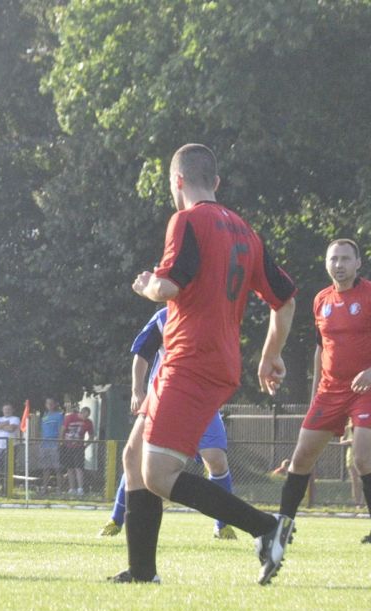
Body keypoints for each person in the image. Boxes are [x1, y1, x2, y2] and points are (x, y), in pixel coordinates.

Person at [119, 144, 298, 586]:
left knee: (158, 474)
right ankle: (142, 572)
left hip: (192, 360)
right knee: (134, 457)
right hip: (204, 358)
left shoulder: (187, 221)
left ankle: (266, 527)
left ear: (177, 181)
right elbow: (284, 298)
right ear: (215, 181)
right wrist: (271, 353)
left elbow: (167, 287)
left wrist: (146, 285)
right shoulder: (245, 231)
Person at [278, 239, 371, 544]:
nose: (339, 264)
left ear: (358, 263)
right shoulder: (321, 299)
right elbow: (321, 348)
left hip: (367, 388)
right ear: (326, 263)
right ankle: (281, 528)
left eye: (346, 259)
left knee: (362, 458)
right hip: (329, 390)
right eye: (333, 259)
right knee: (301, 459)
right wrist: (315, 394)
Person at [100, 307, 238, 540]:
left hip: (201, 401)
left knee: (216, 459)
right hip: (162, 399)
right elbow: (142, 354)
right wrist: (137, 390)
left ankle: (222, 525)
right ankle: (116, 519)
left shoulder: (216, 315)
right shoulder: (164, 317)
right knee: (135, 457)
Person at [61, 403, 93, 497]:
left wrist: (85, 445)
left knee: (79, 468)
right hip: (68, 446)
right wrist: (62, 443)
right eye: (84, 416)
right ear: (81, 413)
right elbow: (62, 430)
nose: (85, 418)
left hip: (79, 447)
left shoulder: (88, 422)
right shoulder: (70, 417)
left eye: (87, 416)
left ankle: (80, 489)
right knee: (70, 468)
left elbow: (91, 435)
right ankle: (72, 488)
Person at [0, 404, 20, 491]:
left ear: (13, 410)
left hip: (9, 447)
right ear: (2, 410)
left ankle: (7, 488)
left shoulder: (15, 419)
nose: (7, 411)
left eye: (9, 409)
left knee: (8, 468)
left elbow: (11, 429)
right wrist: (5, 424)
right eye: (5, 409)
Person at [38, 398, 65, 494]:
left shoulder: (59, 415)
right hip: (44, 444)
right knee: (45, 468)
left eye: (51, 403)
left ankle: (59, 489)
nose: (50, 405)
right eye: (48, 403)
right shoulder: (44, 416)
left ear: (55, 404)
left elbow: (62, 429)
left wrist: (60, 442)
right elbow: (42, 430)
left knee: (57, 468)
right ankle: (44, 488)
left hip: (55, 443)